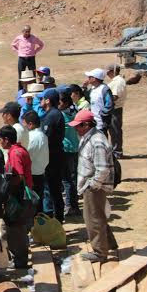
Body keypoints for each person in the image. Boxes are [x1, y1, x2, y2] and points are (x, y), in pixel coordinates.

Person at [71, 109, 118, 263]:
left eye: (78, 126)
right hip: (90, 185)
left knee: (93, 219)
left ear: (86, 124)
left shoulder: (97, 141)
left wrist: (92, 185)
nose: (75, 128)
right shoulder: (89, 137)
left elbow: (102, 168)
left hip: (95, 187)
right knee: (98, 216)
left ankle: (100, 252)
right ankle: (109, 244)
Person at [0, 126, 32, 270]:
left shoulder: (15, 153)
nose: (0, 143)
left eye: (1, 140)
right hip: (20, 195)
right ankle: (16, 258)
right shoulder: (19, 150)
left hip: (17, 197)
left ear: (6, 139)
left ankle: (20, 261)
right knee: (14, 229)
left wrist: (7, 187)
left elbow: (20, 176)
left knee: (15, 230)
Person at [39, 89, 65, 222]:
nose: (40, 101)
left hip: (52, 157)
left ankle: (55, 218)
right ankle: (57, 217)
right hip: (54, 155)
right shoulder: (52, 114)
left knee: (51, 188)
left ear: (48, 100)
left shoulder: (52, 116)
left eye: (42, 99)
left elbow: (45, 138)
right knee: (53, 189)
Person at [58, 88, 81, 219]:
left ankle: (69, 206)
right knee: (72, 178)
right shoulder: (74, 110)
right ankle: (74, 205)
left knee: (67, 180)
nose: (58, 104)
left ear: (65, 103)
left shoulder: (61, 115)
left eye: (60, 102)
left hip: (66, 149)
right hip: (74, 147)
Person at [23, 110, 49, 203]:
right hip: (41, 173)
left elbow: (26, 155)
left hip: (32, 175)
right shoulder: (43, 135)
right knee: (39, 202)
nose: (24, 127)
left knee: (31, 204)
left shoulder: (31, 137)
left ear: (30, 124)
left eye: (25, 124)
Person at [105, 64, 127, 158]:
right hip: (113, 108)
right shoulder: (116, 81)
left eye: (108, 72)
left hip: (115, 108)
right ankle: (114, 150)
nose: (107, 74)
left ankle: (117, 151)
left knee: (115, 130)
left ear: (112, 71)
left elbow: (115, 96)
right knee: (113, 130)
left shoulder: (118, 81)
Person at [84, 68, 113, 133]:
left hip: (101, 124)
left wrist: (101, 114)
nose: (88, 78)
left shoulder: (104, 89)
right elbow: (87, 99)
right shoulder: (93, 88)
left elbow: (109, 105)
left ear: (94, 79)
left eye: (90, 77)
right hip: (93, 123)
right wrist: (84, 87)